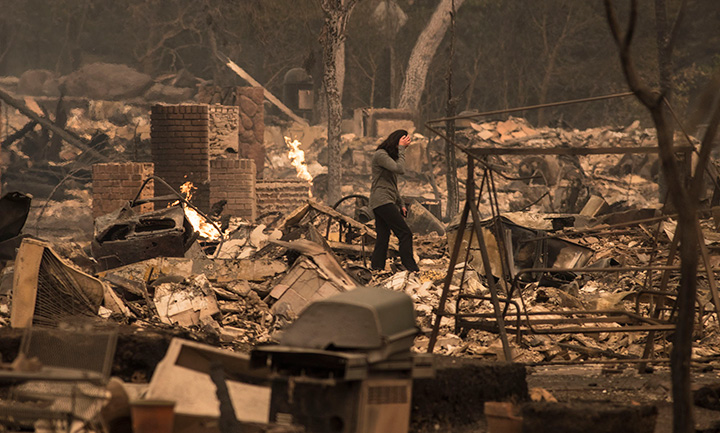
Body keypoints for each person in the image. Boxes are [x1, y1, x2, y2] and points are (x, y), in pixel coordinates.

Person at [369, 129, 420, 272]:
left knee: (383, 236)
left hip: (384, 200)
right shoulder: (381, 155)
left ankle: (376, 268)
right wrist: (402, 150)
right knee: (405, 233)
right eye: (401, 144)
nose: (402, 149)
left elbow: (392, 184)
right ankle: (410, 267)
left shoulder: (388, 158)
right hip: (382, 200)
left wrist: (401, 204)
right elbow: (400, 169)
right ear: (395, 142)